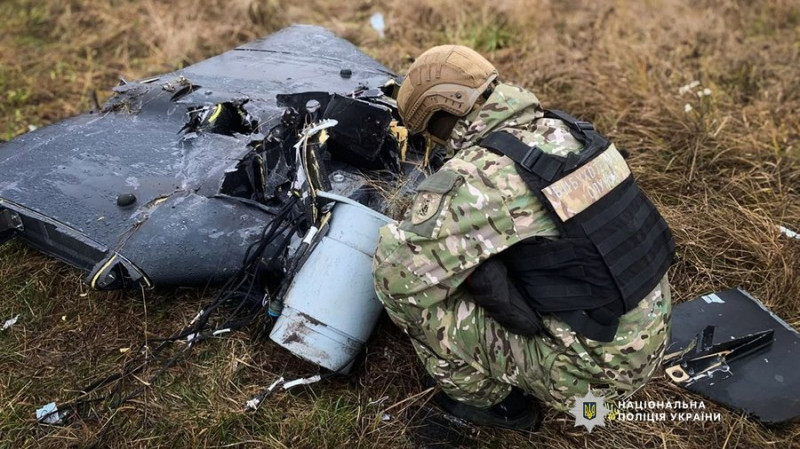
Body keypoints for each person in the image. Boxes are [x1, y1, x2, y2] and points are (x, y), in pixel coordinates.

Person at [372, 45, 675, 430]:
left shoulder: (480, 176)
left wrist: (399, 228)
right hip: (650, 336)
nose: (437, 141)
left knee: (419, 298)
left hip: (594, 379)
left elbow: (396, 278)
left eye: (432, 130)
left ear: (442, 113)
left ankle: (497, 405)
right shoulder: (569, 130)